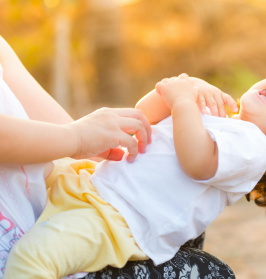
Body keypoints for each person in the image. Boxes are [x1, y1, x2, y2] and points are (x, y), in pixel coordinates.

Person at [4, 71, 266, 278]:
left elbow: (196, 161)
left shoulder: (253, 150)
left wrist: (185, 101)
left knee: (33, 263)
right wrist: (177, 90)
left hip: (111, 220)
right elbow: (144, 117)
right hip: (89, 185)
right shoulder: (223, 118)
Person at [0, 36, 236, 279]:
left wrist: (91, 142)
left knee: (182, 224)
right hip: (25, 251)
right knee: (211, 272)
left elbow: (75, 136)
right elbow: (76, 136)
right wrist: (77, 137)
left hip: (48, 202)